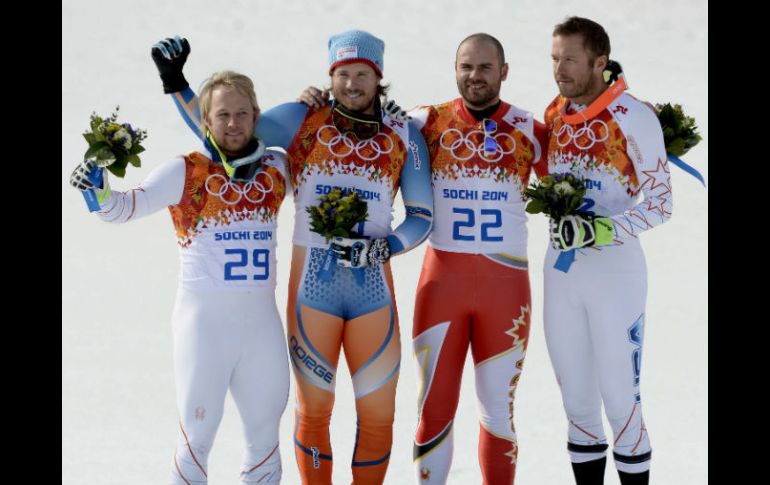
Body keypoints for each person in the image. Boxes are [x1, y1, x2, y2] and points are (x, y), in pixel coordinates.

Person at [151, 30, 433, 485]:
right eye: (343, 74)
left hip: (373, 294)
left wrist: (385, 247)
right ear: (330, 76)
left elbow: (422, 217)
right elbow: (226, 131)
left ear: (379, 77)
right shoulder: (303, 117)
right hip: (313, 294)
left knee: (379, 416)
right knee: (314, 412)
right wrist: (175, 82)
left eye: (362, 74)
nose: (352, 84)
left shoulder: (404, 134)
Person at [302, 32, 546, 485]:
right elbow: (355, 116)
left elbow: (582, 162)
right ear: (455, 70)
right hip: (443, 287)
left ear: (504, 71)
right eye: (466, 66)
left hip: (507, 289)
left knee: (498, 412)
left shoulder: (530, 129)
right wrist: (313, 100)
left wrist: (632, 118)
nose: (475, 76)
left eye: (485, 67)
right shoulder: (422, 122)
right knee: (433, 409)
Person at [69, 70, 291, 485]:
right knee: (196, 439)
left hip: (262, 329)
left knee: (264, 441)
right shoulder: (184, 171)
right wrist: (96, 189)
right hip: (204, 327)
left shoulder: (277, 168)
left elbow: (327, 175)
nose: (233, 123)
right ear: (204, 120)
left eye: (242, 113)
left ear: (256, 116)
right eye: (222, 114)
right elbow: (122, 209)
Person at [543, 16, 672, 485]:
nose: (559, 69)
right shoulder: (555, 112)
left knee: (621, 402)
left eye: (570, 59)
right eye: (554, 58)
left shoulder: (633, 116)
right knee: (577, 405)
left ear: (600, 62)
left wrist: (598, 231)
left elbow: (661, 205)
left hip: (615, 274)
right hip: (561, 272)